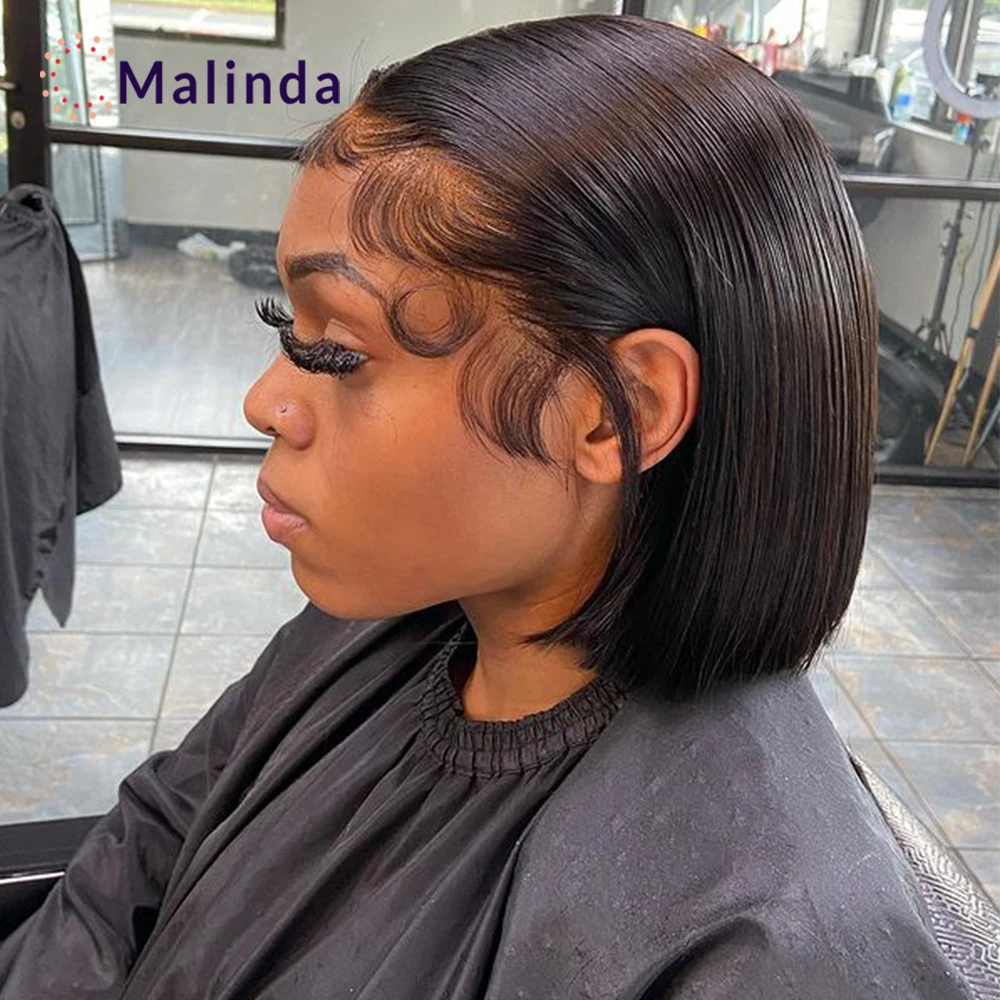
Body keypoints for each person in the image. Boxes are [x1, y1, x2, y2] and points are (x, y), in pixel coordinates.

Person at [0, 14, 975, 1000]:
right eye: (284, 327)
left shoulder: (761, 949)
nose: (265, 401)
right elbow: (149, 843)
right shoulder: (373, 626)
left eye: (336, 350)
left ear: (619, 410)